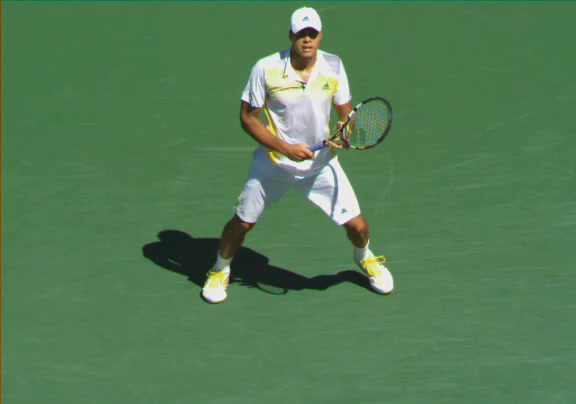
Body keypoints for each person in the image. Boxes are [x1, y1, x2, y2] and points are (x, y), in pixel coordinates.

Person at [201, 7, 394, 303]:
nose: (307, 39)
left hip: (320, 166)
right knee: (242, 223)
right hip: (274, 164)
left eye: (312, 34)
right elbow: (248, 119)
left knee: (358, 226)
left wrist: (344, 130)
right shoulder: (266, 68)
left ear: (320, 36)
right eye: (301, 34)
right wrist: (285, 148)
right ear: (291, 35)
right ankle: (220, 268)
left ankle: (364, 256)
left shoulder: (334, 65)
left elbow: (346, 112)